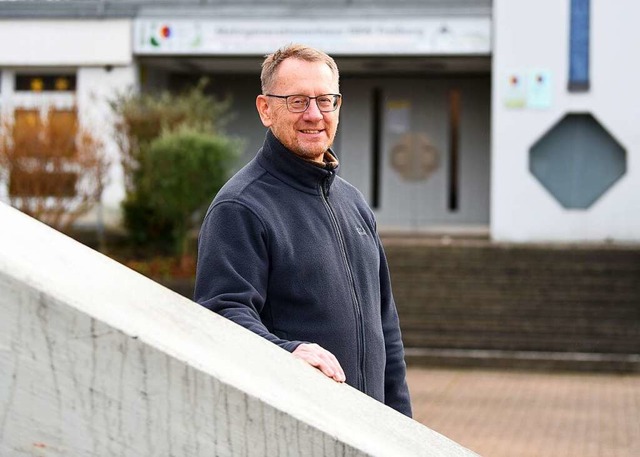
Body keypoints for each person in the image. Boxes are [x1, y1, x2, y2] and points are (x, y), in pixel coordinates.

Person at [194, 44, 412, 417]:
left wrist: (403, 429)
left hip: (368, 429)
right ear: (266, 109)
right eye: (297, 101)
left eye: (325, 101)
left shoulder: (354, 204)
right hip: (298, 426)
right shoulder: (241, 207)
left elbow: (386, 330)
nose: (314, 114)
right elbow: (222, 313)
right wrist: (287, 351)